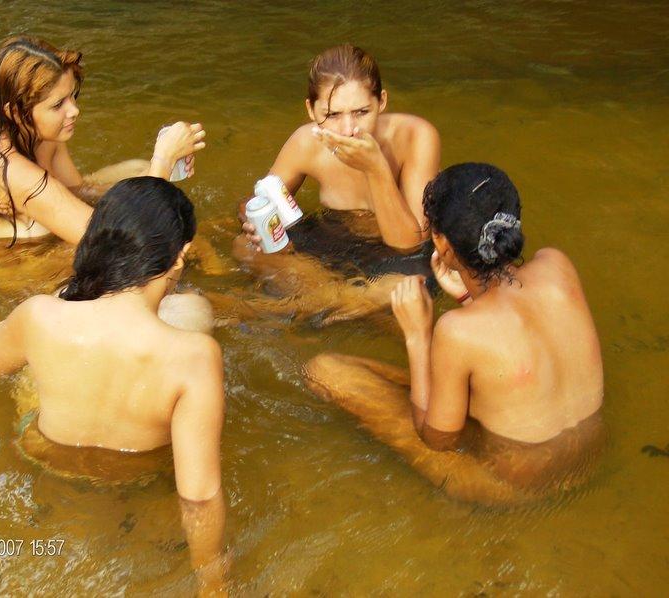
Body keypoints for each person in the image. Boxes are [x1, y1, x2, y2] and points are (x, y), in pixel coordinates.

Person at [0, 177, 226, 592]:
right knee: (196, 312)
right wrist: (213, 583)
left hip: (43, 456)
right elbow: (199, 495)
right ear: (179, 258)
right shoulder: (194, 357)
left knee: (30, 372)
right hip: (137, 476)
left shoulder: (39, 314)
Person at [304, 163, 605, 506]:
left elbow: (436, 438)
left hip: (509, 488)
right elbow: (514, 338)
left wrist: (419, 335)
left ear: (442, 245)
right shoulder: (557, 265)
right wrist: (466, 297)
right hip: (585, 463)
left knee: (325, 371)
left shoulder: (458, 332)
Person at [231, 44, 441, 325]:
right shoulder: (306, 142)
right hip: (333, 239)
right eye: (332, 115)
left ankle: (304, 307)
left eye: (362, 112)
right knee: (243, 246)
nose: (348, 129)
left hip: (397, 257)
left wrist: (375, 168)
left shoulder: (416, 136)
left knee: (414, 282)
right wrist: (258, 225)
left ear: (382, 102)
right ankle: (346, 302)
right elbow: (255, 201)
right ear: (311, 110)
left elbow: (411, 245)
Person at [0, 36, 206, 246]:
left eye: (72, 96)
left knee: (139, 169)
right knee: (164, 248)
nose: (74, 111)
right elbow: (116, 247)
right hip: (12, 265)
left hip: (46, 228)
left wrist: (154, 171)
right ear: (15, 112)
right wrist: (163, 159)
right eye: (58, 104)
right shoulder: (14, 171)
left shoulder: (36, 130)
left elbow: (77, 191)